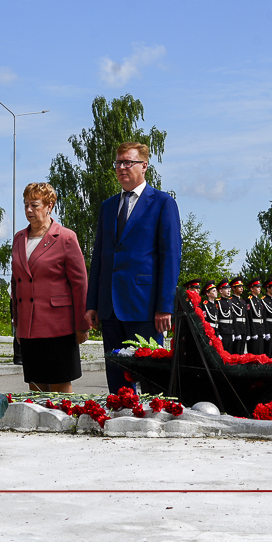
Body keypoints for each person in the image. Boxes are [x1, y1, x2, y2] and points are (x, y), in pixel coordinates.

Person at [86, 141, 182, 393]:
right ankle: (119, 416)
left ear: (144, 166)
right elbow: (99, 257)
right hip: (110, 307)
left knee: (151, 377)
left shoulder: (162, 203)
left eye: (128, 162)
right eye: (118, 162)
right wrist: (92, 303)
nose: (122, 167)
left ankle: (153, 422)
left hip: (146, 306)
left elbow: (170, 257)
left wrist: (164, 306)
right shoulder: (108, 207)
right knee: (117, 377)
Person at [11, 182, 90, 393]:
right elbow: (15, 284)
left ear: (50, 206)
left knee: (59, 386)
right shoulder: (19, 239)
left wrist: (82, 324)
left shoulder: (65, 237)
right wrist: (17, 324)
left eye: (34, 205)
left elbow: (80, 284)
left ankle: (66, 425)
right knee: (35, 386)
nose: (29, 210)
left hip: (59, 327)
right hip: (28, 327)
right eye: (26, 205)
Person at [245, 280, 268, 355]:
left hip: (260, 330)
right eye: (257, 287)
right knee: (253, 353)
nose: (259, 289)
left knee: (260, 353)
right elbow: (249, 318)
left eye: (260, 287)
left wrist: (264, 331)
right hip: (254, 330)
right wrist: (251, 332)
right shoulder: (249, 300)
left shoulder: (259, 300)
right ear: (252, 289)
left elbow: (262, 317)